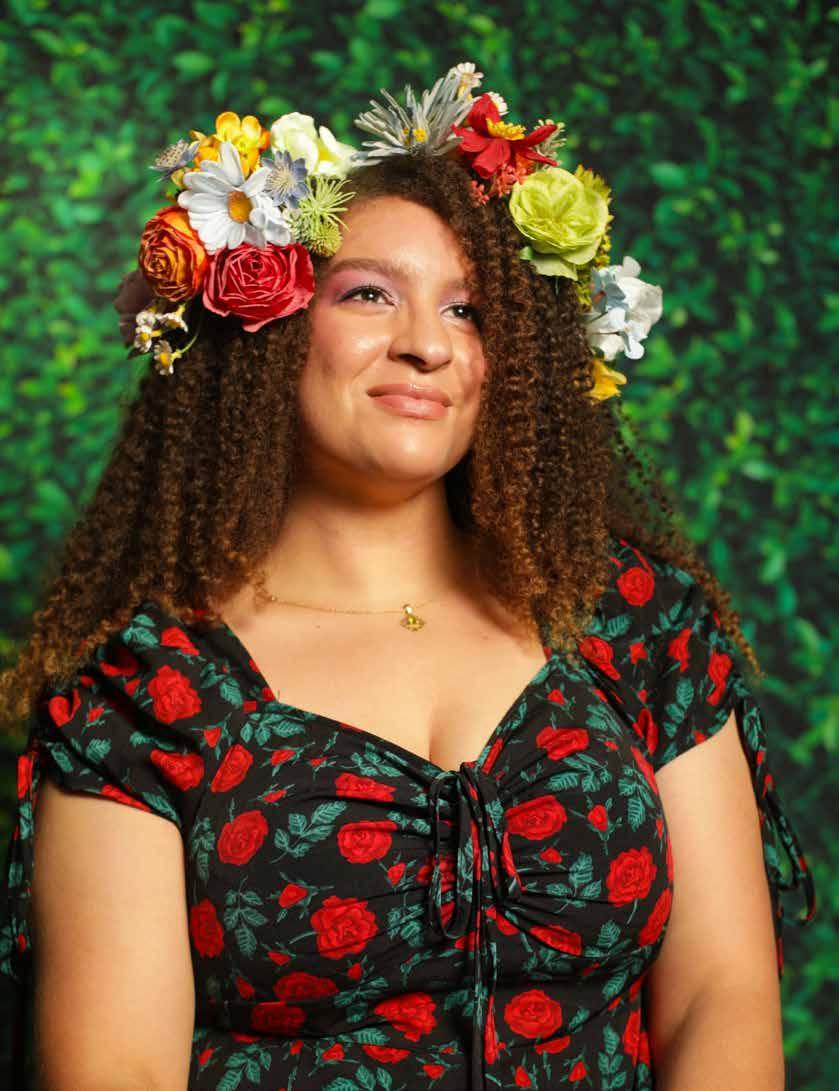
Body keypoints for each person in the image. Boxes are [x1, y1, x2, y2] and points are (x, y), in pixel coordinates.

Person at [0, 64, 816, 1091]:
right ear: (272, 324)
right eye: (369, 294)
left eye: (468, 310)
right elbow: (116, 1065)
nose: (426, 344)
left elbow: (718, 994)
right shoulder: (148, 687)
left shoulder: (636, 623)